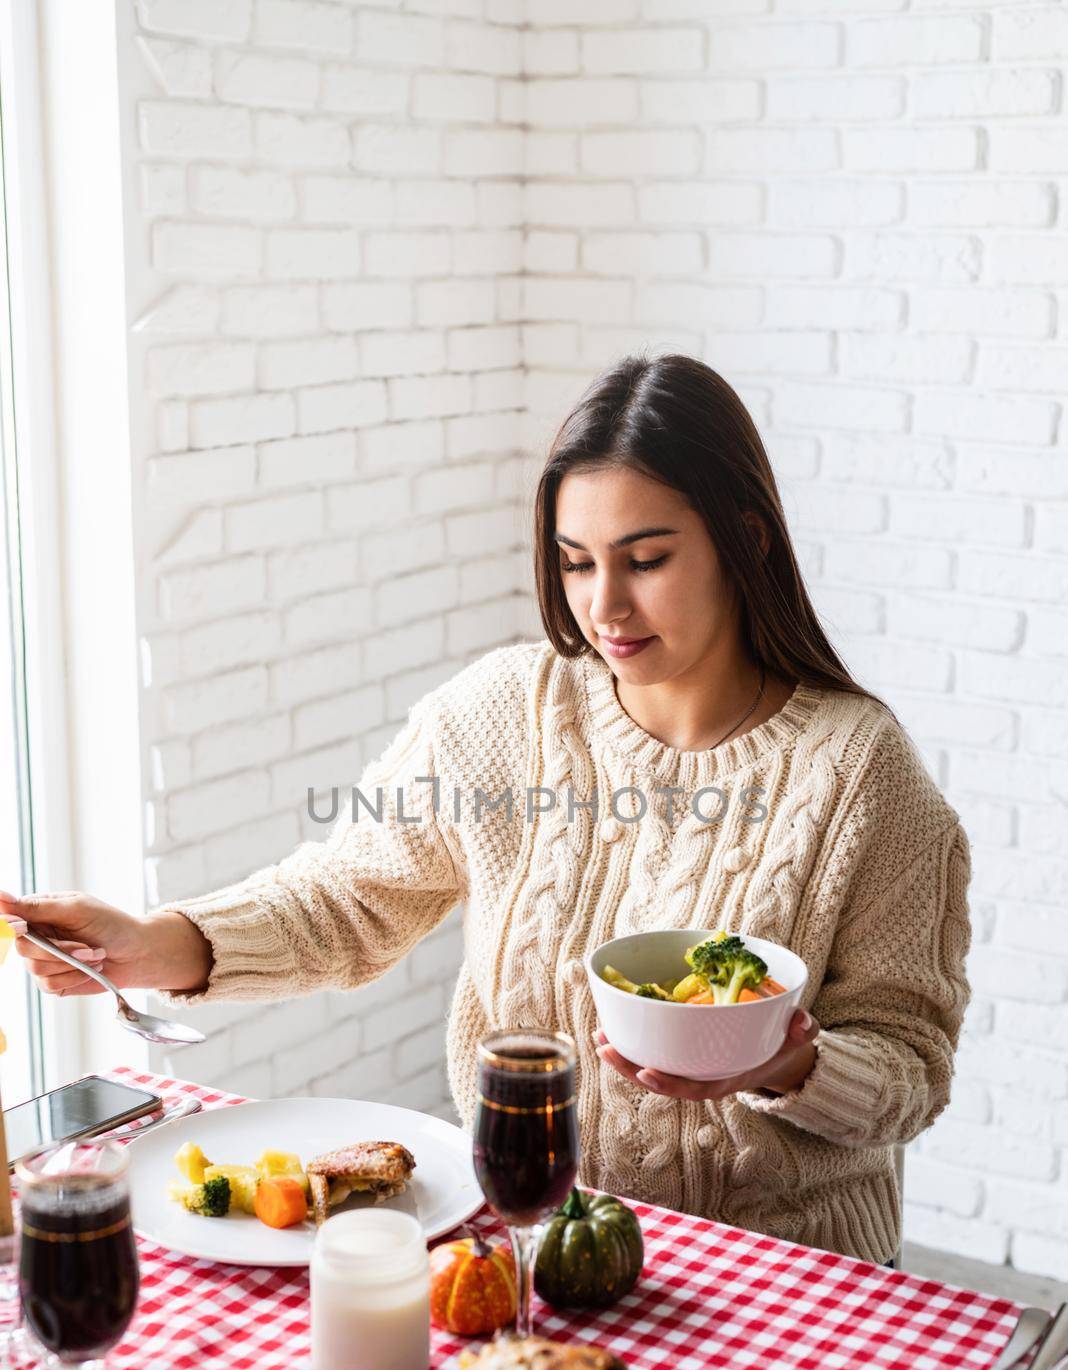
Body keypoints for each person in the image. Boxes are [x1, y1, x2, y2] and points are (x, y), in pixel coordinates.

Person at [1, 354, 971, 1265]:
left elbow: (911, 1067)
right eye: (578, 561)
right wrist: (152, 943)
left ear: (744, 539)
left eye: (646, 558)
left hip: (784, 1271)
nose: (606, 606)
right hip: (530, 1237)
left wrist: (783, 1065)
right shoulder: (506, 712)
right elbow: (347, 898)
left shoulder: (861, 772)